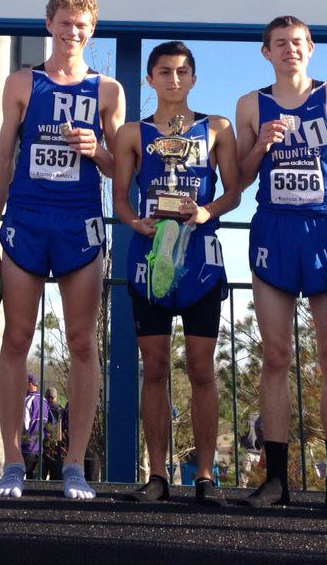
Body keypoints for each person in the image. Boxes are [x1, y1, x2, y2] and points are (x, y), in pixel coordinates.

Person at [0, 0, 125, 500]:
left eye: (82, 25)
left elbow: (120, 167)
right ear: (49, 24)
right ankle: (13, 462)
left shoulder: (108, 90)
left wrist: (98, 150)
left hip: (79, 224)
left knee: (83, 343)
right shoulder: (23, 82)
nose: (73, 32)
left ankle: (75, 466)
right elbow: (2, 161)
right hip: (25, 222)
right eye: (65, 23)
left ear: (91, 30)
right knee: (16, 339)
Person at [235, 16, 327, 510]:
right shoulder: (251, 104)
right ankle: (276, 480)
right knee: (275, 357)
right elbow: (241, 177)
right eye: (279, 44)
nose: (289, 50)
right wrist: (262, 146)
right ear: (266, 52)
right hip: (273, 230)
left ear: (310, 48)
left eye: (297, 43)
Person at [112, 41, 240, 506]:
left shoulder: (218, 128)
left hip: (200, 260)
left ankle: (205, 476)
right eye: (164, 71)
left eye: (182, 71)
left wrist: (206, 212)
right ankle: (158, 475)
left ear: (193, 78)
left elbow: (234, 192)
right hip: (150, 261)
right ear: (149, 79)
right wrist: (133, 223)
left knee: (202, 369)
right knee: (155, 369)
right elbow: (121, 199)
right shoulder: (131, 133)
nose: (173, 79)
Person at [42, 387, 65, 480]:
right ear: (56, 397)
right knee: (56, 478)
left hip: (42, 445)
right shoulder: (60, 409)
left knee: (39, 477)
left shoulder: (42, 407)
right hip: (57, 446)